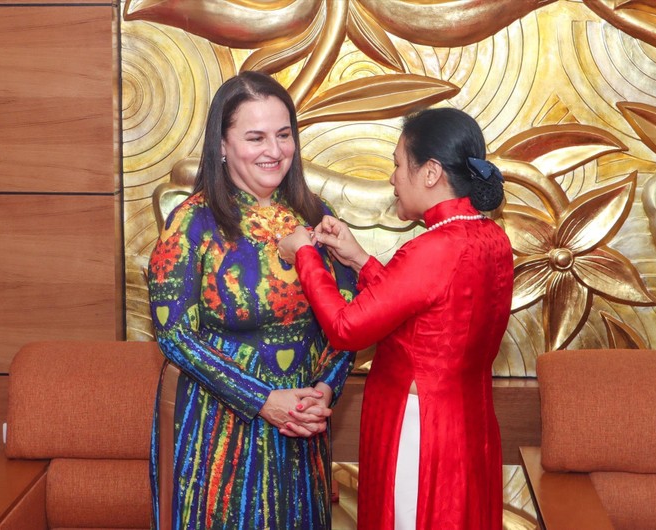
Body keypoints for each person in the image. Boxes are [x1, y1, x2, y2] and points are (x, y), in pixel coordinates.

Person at [279, 107, 514, 530]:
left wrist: (305, 258)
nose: (393, 178)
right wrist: (359, 258)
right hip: (467, 423)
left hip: (419, 428)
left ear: (430, 173)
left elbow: (347, 328)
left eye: (398, 165)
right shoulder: (490, 237)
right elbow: (424, 316)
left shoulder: (435, 247)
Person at [147, 71, 357, 530]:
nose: (275, 151)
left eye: (284, 135)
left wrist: (324, 390)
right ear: (222, 145)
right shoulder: (192, 222)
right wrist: (261, 399)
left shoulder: (317, 215)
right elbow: (174, 335)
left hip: (301, 425)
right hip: (218, 428)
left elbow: (348, 317)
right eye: (256, 137)